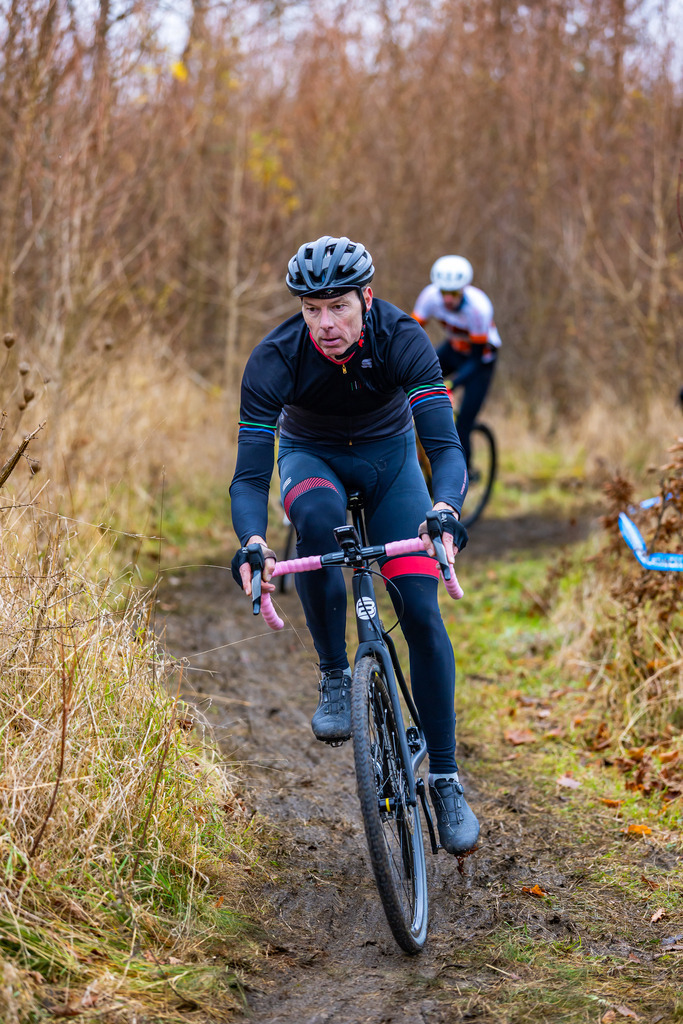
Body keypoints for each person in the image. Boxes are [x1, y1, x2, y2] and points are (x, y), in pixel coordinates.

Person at [229, 236, 479, 855]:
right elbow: (250, 477)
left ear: (366, 298)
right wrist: (254, 542)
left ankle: (445, 779)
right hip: (313, 458)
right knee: (316, 520)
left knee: (420, 610)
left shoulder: (402, 338)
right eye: (313, 310)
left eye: (338, 306)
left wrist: (444, 510)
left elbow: (445, 448)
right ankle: (335, 675)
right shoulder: (274, 358)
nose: (326, 324)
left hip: (391, 464)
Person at [412, 255, 501, 470]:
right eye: (444, 292)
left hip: (480, 361)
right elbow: (410, 335)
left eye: (453, 293)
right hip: (453, 350)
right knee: (416, 378)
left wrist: (452, 384)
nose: (448, 299)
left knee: (463, 424)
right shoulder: (430, 297)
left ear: (464, 289)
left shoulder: (478, 308)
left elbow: (476, 358)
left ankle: (465, 470)